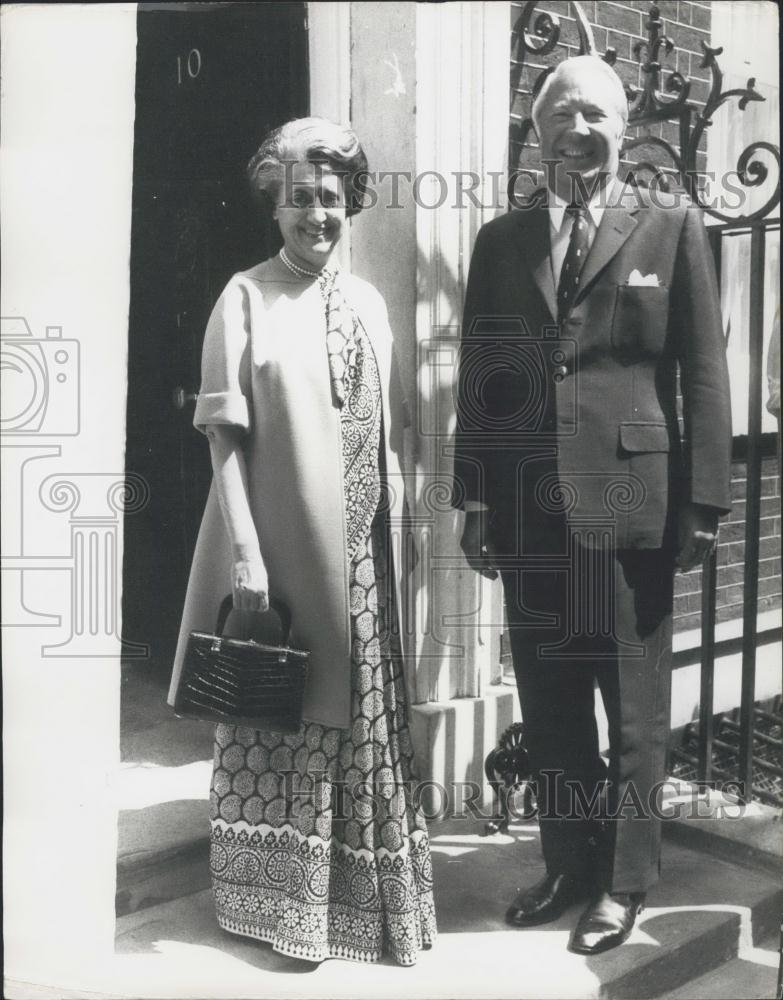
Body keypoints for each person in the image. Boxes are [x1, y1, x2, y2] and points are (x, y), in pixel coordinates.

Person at [453, 56, 732, 954]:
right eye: (562, 113)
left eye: (598, 115)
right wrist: (473, 498)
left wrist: (702, 504)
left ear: (623, 127)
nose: (580, 128)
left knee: (633, 704)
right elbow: (482, 379)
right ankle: (567, 865)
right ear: (537, 132)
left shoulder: (669, 225)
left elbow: (703, 371)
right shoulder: (501, 243)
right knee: (551, 697)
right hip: (529, 508)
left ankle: (624, 882)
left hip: (634, 505)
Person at [168, 117, 436, 965]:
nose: (316, 214)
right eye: (298, 201)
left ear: (350, 203)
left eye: (330, 198)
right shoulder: (243, 295)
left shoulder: (368, 301)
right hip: (281, 552)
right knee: (284, 724)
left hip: (366, 556)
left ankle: (366, 909)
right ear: (272, 209)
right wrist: (245, 550)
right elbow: (223, 438)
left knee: (364, 730)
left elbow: (391, 432)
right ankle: (283, 913)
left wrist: (407, 533)